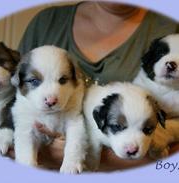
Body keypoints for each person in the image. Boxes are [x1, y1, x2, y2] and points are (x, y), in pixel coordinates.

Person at [15, 1, 179, 171]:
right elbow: (11, 111)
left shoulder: (171, 27)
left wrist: (76, 156)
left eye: (63, 80)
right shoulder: (46, 21)